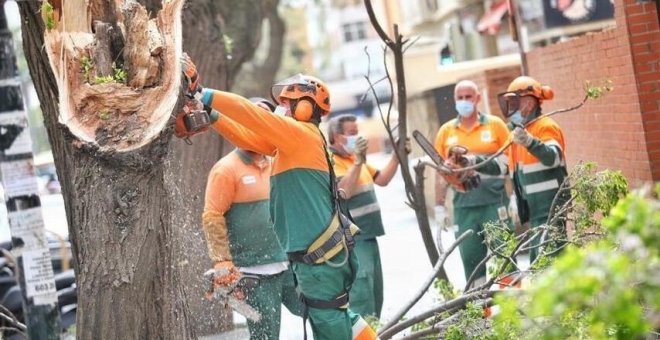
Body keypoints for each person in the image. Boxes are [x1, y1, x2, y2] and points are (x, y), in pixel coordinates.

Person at [179, 57, 376, 340]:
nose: (282, 108)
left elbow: (250, 114)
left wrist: (201, 92)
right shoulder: (290, 144)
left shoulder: (301, 134)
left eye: (287, 103)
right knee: (335, 316)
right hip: (319, 256)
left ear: (307, 106)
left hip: (320, 259)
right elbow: (248, 138)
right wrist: (210, 114)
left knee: (330, 323)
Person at [202, 99, 302, 340]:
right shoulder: (226, 169)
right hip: (253, 272)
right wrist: (222, 261)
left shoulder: (277, 163)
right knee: (266, 334)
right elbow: (212, 216)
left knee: (320, 312)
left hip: (287, 263)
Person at [326, 114, 408, 319]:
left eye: (357, 133)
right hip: (353, 240)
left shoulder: (354, 159)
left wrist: (397, 156)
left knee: (376, 293)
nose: (357, 138)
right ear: (336, 137)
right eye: (352, 134)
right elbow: (344, 191)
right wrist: (358, 162)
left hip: (370, 236)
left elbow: (382, 179)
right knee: (362, 295)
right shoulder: (331, 162)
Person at [433, 80, 511, 284]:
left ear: (478, 98)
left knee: (506, 258)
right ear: (454, 100)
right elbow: (439, 174)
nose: (464, 101)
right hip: (464, 207)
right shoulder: (446, 132)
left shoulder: (495, 125)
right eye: (460, 98)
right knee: (471, 262)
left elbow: (509, 163)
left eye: (468, 97)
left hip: (495, 203)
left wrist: (516, 198)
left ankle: (515, 306)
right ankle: (479, 311)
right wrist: (439, 207)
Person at [497, 76, 569, 263]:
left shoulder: (546, 127)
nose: (510, 107)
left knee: (552, 262)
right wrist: (469, 163)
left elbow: (553, 157)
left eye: (514, 102)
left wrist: (529, 142)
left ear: (528, 103)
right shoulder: (517, 133)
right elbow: (498, 165)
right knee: (538, 263)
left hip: (551, 208)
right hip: (535, 212)